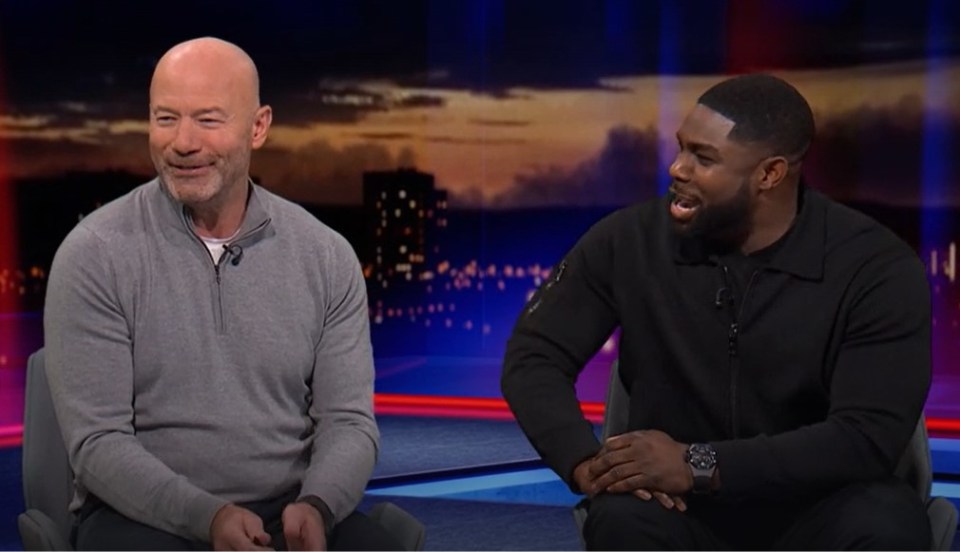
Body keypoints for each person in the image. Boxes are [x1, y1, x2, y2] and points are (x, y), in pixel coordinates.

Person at [501, 73, 932, 550]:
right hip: (679, 509)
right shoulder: (629, 242)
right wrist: (585, 463)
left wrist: (696, 464)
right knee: (622, 520)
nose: (677, 169)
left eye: (703, 158)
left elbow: (865, 438)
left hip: (823, 503)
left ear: (769, 174)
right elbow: (533, 357)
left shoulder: (875, 267)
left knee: (885, 521)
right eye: (682, 148)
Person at [44, 37, 400, 551]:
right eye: (166, 119)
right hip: (144, 518)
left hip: (290, 511)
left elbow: (348, 423)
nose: (182, 142)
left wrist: (319, 504)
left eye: (208, 120)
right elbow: (98, 444)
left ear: (258, 127)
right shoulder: (95, 253)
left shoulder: (325, 255)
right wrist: (208, 518)